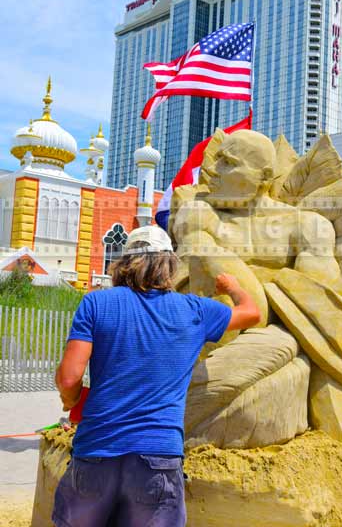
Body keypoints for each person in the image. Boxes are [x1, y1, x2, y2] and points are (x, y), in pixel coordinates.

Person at [53, 224, 261, 527]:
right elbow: (252, 312)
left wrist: (72, 401)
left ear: (124, 265)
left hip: (97, 450)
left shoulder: (97, 303)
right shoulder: (195, 311)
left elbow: (69, 378)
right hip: (158, 455)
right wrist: (232, 287)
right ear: (169, 266)